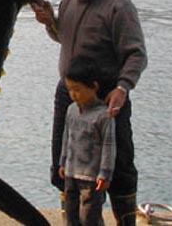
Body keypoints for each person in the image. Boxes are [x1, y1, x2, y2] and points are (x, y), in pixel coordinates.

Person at [31, 0, 147, 226]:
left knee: (119, 165)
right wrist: (50, 22)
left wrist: (123, 87)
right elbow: (64, 37)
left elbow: (136, 54)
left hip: (107, 96)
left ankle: (126, 221)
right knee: (64, 161)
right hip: (69, 95)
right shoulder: (69, 1)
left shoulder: (119, 6)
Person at [59, 59, 115, 226]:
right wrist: (62, 161)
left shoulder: (103, 116)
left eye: (78, 89)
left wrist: (105, 173)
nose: (74, 94)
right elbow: (66, 137)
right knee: (71, 214)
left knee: (89, 216)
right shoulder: (71, 110)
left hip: (91, 177)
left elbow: (109, 146)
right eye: (70, 90)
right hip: (71, 172)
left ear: (94, 86)